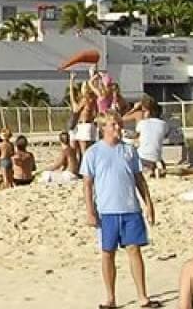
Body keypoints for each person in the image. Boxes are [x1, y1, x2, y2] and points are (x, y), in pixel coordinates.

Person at [83, 115, 157, 309]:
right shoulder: (93, 152)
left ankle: (142, 296)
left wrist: (149, 204)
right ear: (103, 128)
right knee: (108, 253)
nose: (118, 127)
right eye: (113, 124)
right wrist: (90, 211)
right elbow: (87, 184)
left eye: (119, 123)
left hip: (130, 209)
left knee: (134, 250)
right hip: (106, 211)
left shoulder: (129, 150)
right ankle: (110, 297)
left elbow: (139, 179)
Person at [133, 98, 170, 177]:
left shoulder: (142, 123)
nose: (142, 114)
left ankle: (149, 171)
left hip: (143, 157)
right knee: (157, 159)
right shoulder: (164, 124)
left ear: (148, 112)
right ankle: (158, 169)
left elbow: (136, 138)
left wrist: (134, 109)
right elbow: (165, 135)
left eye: (143, 111)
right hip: (156, 158)